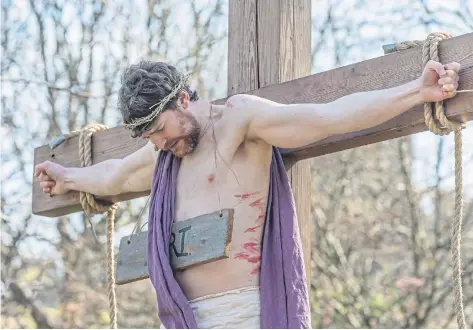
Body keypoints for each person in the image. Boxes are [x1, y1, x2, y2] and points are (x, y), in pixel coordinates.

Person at [34, 60, 461, 328]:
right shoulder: (163, 156)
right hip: (183, 320)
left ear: (183, 99)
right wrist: (66, 178)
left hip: (247, 314)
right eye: (150, 137)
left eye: (161, 130)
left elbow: (332, 117)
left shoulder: (240, 121)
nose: (159, 143)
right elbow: (113, 177)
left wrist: (414, 91)